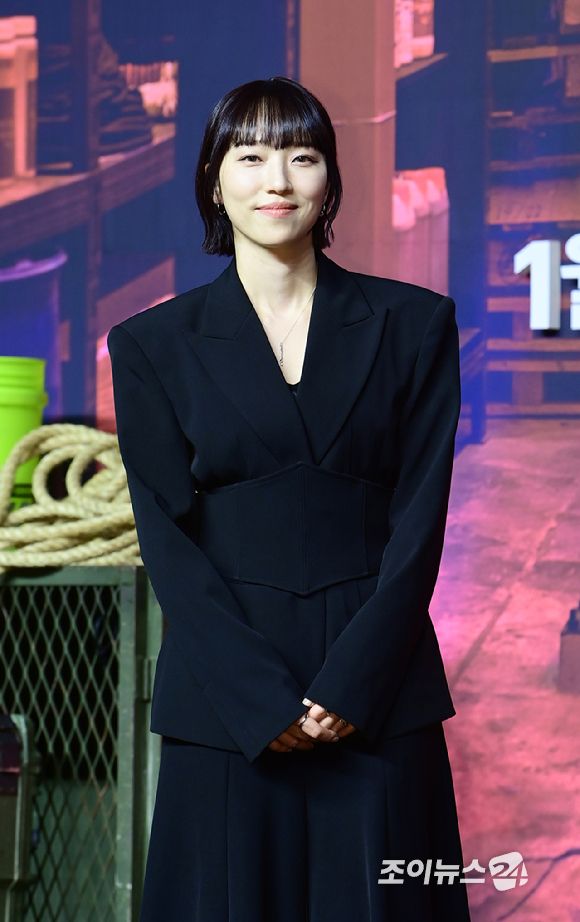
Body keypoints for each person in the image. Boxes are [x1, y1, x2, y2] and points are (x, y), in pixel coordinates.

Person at [108, 76, 472, 922]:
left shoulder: (414, 326)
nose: (277, 180)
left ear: (330, 179)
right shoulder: (152, 345)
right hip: (228, 703)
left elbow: (421, 520)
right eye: (250, 157)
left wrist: (356, 682)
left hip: (379, 690)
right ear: (213, 180)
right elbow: (168, 541)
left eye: (302, 157)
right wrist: (256, 699)